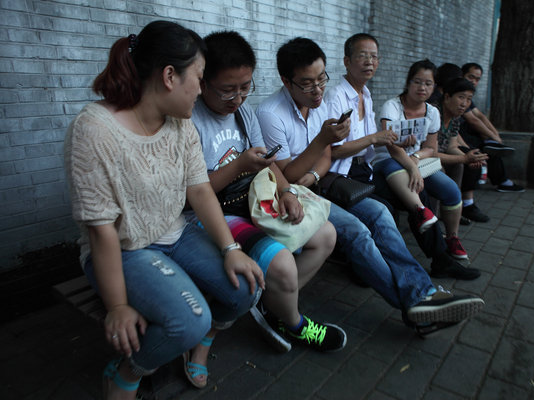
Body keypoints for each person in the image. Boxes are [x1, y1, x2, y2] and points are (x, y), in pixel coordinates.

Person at [64, 21, 266, 399]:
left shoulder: (180, 124)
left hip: (176, 233)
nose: (202, 90)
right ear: (170, 76)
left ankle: (202, 341)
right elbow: (101, 229)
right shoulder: (94, 130)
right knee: (188, 321)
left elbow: (201, 191)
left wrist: (231, 250)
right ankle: (126, 372)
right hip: (124, 249)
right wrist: (118, 306)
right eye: (200, 79)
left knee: (248, 289)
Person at [256, 37, 484, 337]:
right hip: (291, 194)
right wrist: (318, 156)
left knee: (380, 214)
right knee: (357, 231)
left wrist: (312, 174)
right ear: (286, 81)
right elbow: (289, 175)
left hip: (321, 183)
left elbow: (323, 159)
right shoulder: (271, 114)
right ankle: (417, 304)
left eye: (321, 78)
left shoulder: (323, 102)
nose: (318, 90)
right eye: (307, 83)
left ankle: (423, 294)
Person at [188, 30, 345, 354]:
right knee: (283, 264)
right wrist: (239, 166)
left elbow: (267, 164)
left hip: (250, 199)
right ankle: (293, 321)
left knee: (326, 234)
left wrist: (287, 192)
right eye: (227, 90)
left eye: (246, 87)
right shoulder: (191, 119)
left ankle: (273, 306)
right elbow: (194, 194)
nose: (238, 98)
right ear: (203, 83)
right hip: (214, 212)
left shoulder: (244, 114)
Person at [324, 34, 479, 279]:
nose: (369, 62)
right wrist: (376, 139)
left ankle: (440, 258)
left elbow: (419, 147)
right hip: (344, 174)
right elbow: (333, 151)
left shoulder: (366, 93)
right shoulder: (336, 97)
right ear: (346, 60)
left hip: (367, 170)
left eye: (374, 57)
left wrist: (395, 143)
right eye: (362, 56)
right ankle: (378, 265)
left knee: (419, 190)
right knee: (403, 196)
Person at [376, 59, 470, 261]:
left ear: (434, 87)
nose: (422, 87)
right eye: (418, 82)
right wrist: (411, 164)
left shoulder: (432, 112)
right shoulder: (392, 107)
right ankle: (421, 212)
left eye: (428, 84)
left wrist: (416, 157)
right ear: (408, 82)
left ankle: (452, 238)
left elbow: (431, 148)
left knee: (452, 191)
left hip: (417, 161)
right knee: (397, 167)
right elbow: (391, 147)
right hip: (388, 160)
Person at [460, 63, 525, 193]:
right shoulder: (458, 92)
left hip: (464, 131)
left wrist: (495, 135)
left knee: (491, 146)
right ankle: (498, 182)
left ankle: (501, 180)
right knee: (485, 147)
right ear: (462, 75)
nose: (474, 81)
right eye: (470, 77)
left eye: (477, 79)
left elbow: (480, 116)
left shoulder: (468, 95)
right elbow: (473, 120)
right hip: (457, 132)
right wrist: (493, 137)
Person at [433, 78, 490, 222]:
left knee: (458, 165)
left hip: (438, 156)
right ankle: (434, 215)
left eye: (469, 99)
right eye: (461, 97)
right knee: (439, 170)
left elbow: (452, 146)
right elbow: (431, 152)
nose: (464, 103)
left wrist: (470, 158)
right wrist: (464, 158)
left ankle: (452, 210)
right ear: (447, 97)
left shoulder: (455, 118)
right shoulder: (433, 113)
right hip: (421, 158)